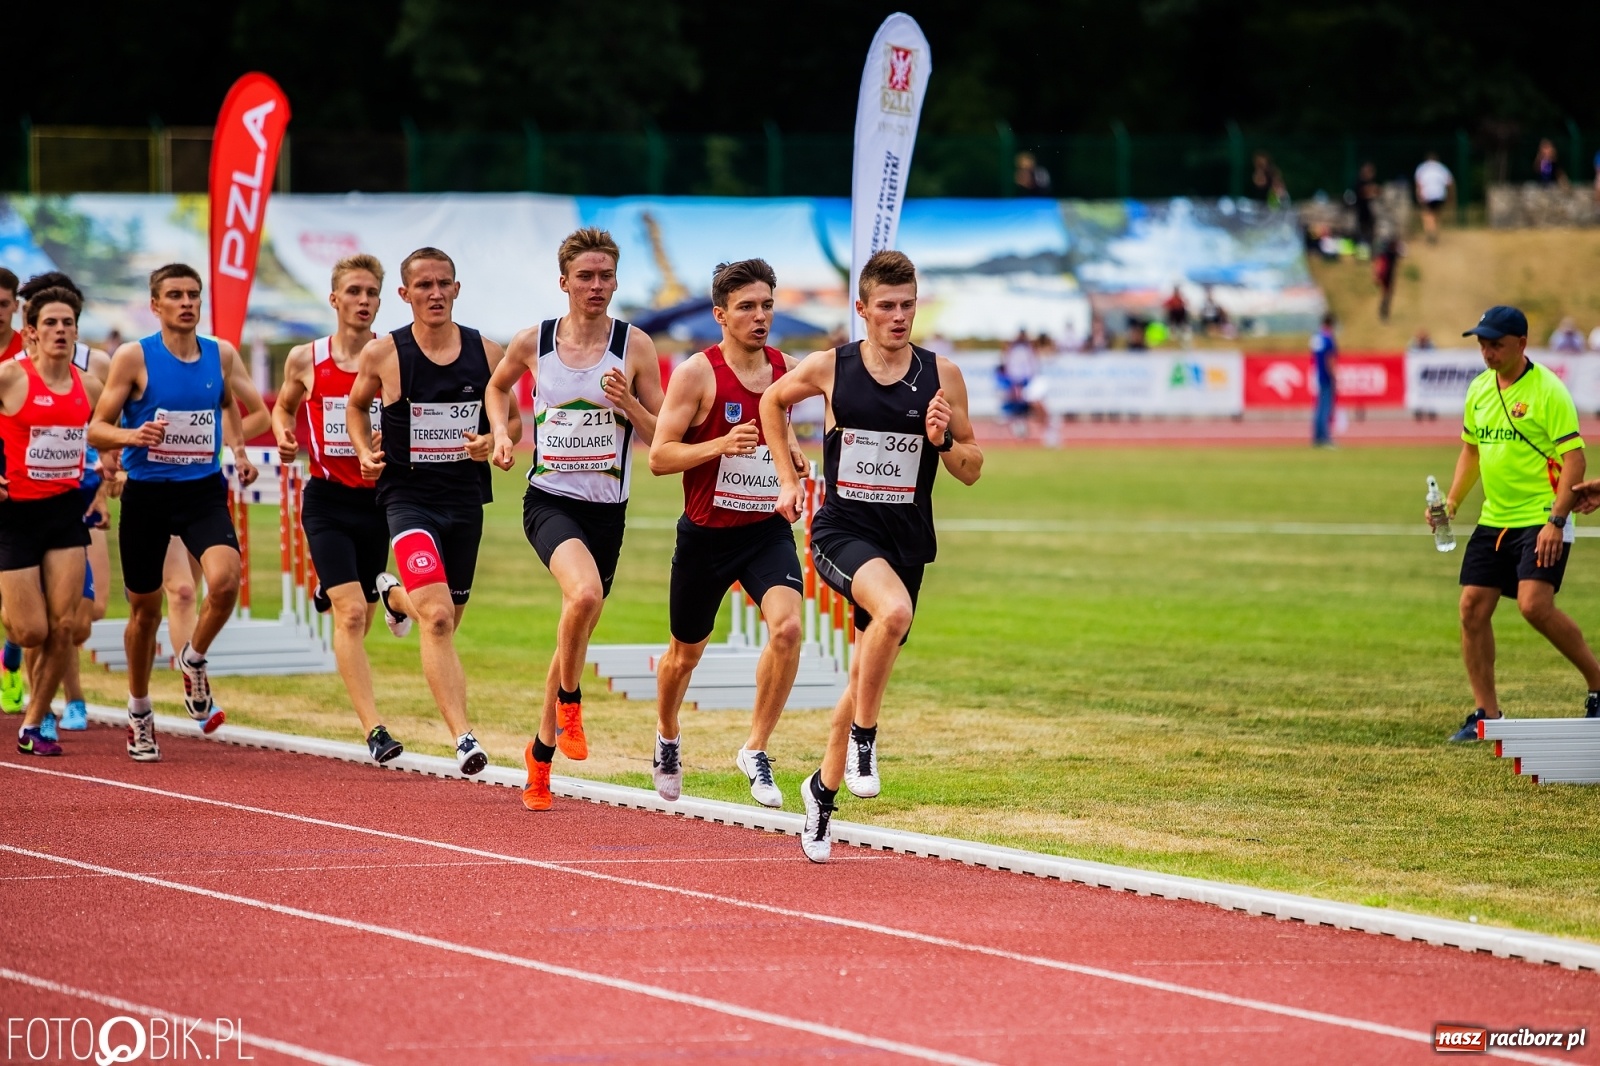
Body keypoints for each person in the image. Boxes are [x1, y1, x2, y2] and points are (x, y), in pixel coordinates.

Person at [760, 250, 984, 863]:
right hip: (841, 532)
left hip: (906, 542)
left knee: (864, 672)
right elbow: (770, 404)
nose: (899, 316)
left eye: (908, 305)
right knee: (893, 612)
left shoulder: (943, 377)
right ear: (862, 310)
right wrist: (787, 477)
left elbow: (971, 468)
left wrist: (941, 441)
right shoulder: (832, 367)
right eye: (886, 306)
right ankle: (866, 738)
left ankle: (820, 793)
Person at [486, 227, 661, 811]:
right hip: (549, 501)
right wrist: (505, 434)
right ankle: (571, 701)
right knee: (582, 596)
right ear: (563, 282)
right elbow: (497, 387)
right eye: (584, 276)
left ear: (615, 281)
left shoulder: (634, 346)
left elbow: (661, 436)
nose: (595, 286)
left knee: (575, 623)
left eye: (605, 276)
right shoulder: (533, 341)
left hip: (607, 511)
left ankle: (539, 756)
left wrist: (629, 402)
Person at [645, 259, 806, 805]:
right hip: (706, 537)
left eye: (766, 306)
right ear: (720, 315)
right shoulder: (697, 373)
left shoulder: (787, 368)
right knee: (684, 655)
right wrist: (719, 445)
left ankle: (755, 749)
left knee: (787, 630)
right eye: (746, 308)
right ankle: (667, 735)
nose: (759, 317)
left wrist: (793, 456)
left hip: (765, 531)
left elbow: (781, 435)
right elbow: (660, 457)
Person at [347, 247, 513, 776]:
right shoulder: (384, 355)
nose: (435, 293)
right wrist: (363, 449)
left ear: (457, 289)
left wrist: (494, 440)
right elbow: (355, 405)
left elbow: (507, 415)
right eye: (423, 286)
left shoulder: (488, 353)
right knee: (437, 618)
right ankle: (464, 738)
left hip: (465, 501)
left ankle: (392, 596)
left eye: (444, 283)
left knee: (448, 616)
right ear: (405, 294)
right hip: (407, 498)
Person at [89, 264, 257, 760]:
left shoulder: (220, 354)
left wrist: (240, 452)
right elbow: (97, 428)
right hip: (146, 495)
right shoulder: (133, 357)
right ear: (156, 304)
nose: (186, 302)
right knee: (145, 613)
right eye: (175, 295)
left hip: (202, 490)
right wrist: (130, 436)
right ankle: (139, 711)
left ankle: (193, 657)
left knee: (225, 581)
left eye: (193, 295)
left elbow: (229, 407)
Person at [1430, 306, 1600, 741]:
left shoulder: (1549, 390)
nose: (1487, 352)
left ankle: (1598, 684)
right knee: (1471, 608)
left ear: (1521, 344)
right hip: (1495, 519)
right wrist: (1452, 502)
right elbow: (1471, 450)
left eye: (1496, 344)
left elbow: (1574, 460)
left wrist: (1556, 521)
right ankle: (1486, 714)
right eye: (1482, 344)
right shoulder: (1480, 389)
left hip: (1542, 515)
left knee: (1534, 606)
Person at [271, 254, 405, 764]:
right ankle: (375, 730)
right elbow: (284, 406)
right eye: (354, 291)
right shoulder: (305, 359)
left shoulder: (392, 358)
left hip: (380, 501)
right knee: (350, 615)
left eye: (371, 292)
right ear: (334, 299)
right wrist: (285, 434)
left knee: (362, 614)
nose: (363, 301)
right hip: (326, 499)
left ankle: (347, 585)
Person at [0, 287, 101, 755]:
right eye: (51, 323)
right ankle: (9, 628)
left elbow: (104, 434)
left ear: (77, 331)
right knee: (31, 632)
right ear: (31, 333)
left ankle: (34, 723)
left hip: (64, 517)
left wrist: (113, 464)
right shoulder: (10, 379)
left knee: (65, 627)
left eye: (68, 323)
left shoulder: (90, 385)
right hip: (15, 517)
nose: (61, 330)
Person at [0, 267, 24, 715]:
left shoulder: (29, 352)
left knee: (20, 602)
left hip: (23, 482)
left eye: (4, 303)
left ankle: (12, 658)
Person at [1310, 313, 1338, 447]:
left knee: (1319, 408)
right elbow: (1330, 360)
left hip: (1317, 374)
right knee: (1325, 408)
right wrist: (1334, 376)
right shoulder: (1328, 339)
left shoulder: (1316, 337)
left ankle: (1317, 436)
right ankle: (1325, 438)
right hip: (1326, 376)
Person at [1414, 151, 1453, 243]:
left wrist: (1419, 194)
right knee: (1436, 214)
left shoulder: (1422, 168)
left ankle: (1430, 231)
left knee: (1427, 214)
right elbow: (1449, 182)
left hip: (1427, 195)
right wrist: (1450, 195)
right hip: (1440, 195)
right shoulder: (1441, 168)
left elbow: (1419, 183)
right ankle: (1435, 230)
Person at [1352, 161, 1380, 253]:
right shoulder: (1359, 182)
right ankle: (1362, 250)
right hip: (1361, 211)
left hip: (1368, 212)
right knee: (1362, 231)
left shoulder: (1368, 182)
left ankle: (1368, 249)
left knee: (1370, 231)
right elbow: (1365, 193)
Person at [1374, 238, 1401, 322]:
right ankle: (1383, 313)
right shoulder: (1388, 254)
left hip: (1389, 276)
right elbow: (1381, 266)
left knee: (1387, 295)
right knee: (1386, 295)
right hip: (1386, 276)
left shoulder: (1389, 254)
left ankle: (1384, 312)